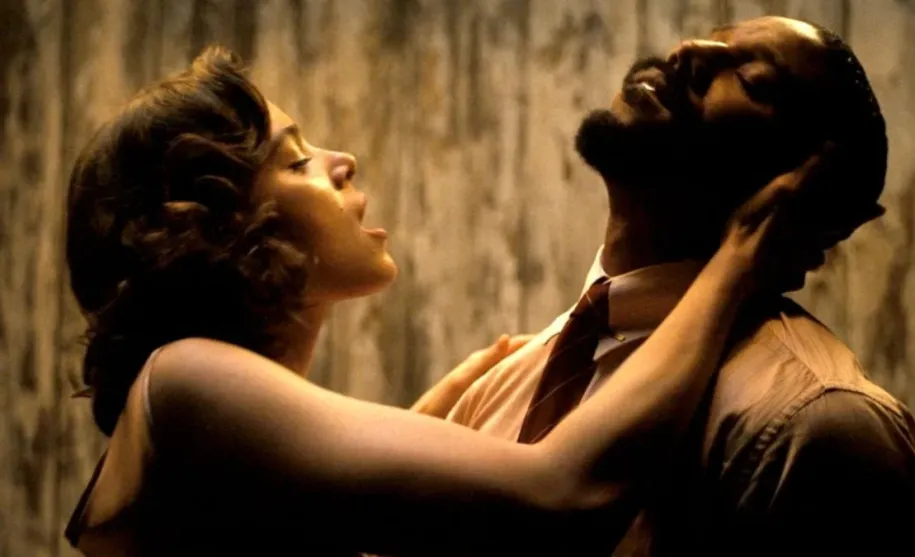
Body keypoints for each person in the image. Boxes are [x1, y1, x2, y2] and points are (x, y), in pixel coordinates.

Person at [62, 45, 819, 556]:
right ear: (213, 228)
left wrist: (401, 470)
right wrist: (738, 258)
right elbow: (567, 496)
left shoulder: (196, 402)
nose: (341, 160)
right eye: (295, 161)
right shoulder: (189, 379)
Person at [444, 16, 915, 557]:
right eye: (716, 35)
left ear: (802, 189)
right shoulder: (508, 380)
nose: (689, 49)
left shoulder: (817, 425)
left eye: (754, 80)